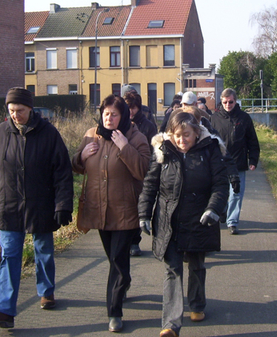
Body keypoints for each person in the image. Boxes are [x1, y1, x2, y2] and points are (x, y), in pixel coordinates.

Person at [0, 87, 74, 329]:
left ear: (30, 109)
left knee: (43, 249)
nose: (15, 115)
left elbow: (62, 173)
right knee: (9, 256)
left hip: (41, 203)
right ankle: (5, 311)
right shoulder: (1, 133)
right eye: (11, 111)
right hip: (9, 205)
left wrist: (62, 205)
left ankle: (46, 291)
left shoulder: (49, 134)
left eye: (19, 110)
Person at [138, 112, 229, 337]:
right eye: (177, 136)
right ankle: (171, 324)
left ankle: (197, 304)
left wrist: (213, 209)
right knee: (173, 269)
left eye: (186, 135)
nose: (181, 140)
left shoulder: (211, 149)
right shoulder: (163, 151)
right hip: (169, 219)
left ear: (196, 133)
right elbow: (150, 184)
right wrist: (143, 214)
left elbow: (220, 184)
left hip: (199, 218)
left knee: (196, 265)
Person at [72, 94, 151, 332]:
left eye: (114, 114)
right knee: (114, 259)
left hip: (126, 210)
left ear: (123, 116)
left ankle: (114, 313)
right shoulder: (91, 134)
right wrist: (81, 156)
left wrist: (124, 147)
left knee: (117, 260)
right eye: (106, 114)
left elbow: (143, 171)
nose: (109, 118)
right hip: (99, 210)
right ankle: (124, 282)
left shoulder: (136, 138)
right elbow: (75, 165)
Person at [210, 88, 260, 235]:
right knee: (221, 192)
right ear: (221, 102)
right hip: (219, 163)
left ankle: (232, 222)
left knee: (236, 193)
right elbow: (209, 140)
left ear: (235, 101)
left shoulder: (244, 118)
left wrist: (253, 160)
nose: (228, 104)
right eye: (225, 102)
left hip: (238, 163)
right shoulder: (215, 118)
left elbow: (252, 141)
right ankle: (223, 211)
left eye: (230, 102)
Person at [123, 90, 158, 257]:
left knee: (138, 206)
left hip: (142, 171)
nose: (130, 111)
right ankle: (125, 240)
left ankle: (135, 241)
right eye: (128, 107)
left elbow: (154, 150)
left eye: (133, 108)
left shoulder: (148, 126)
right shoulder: (120, 124)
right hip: (123, 171)